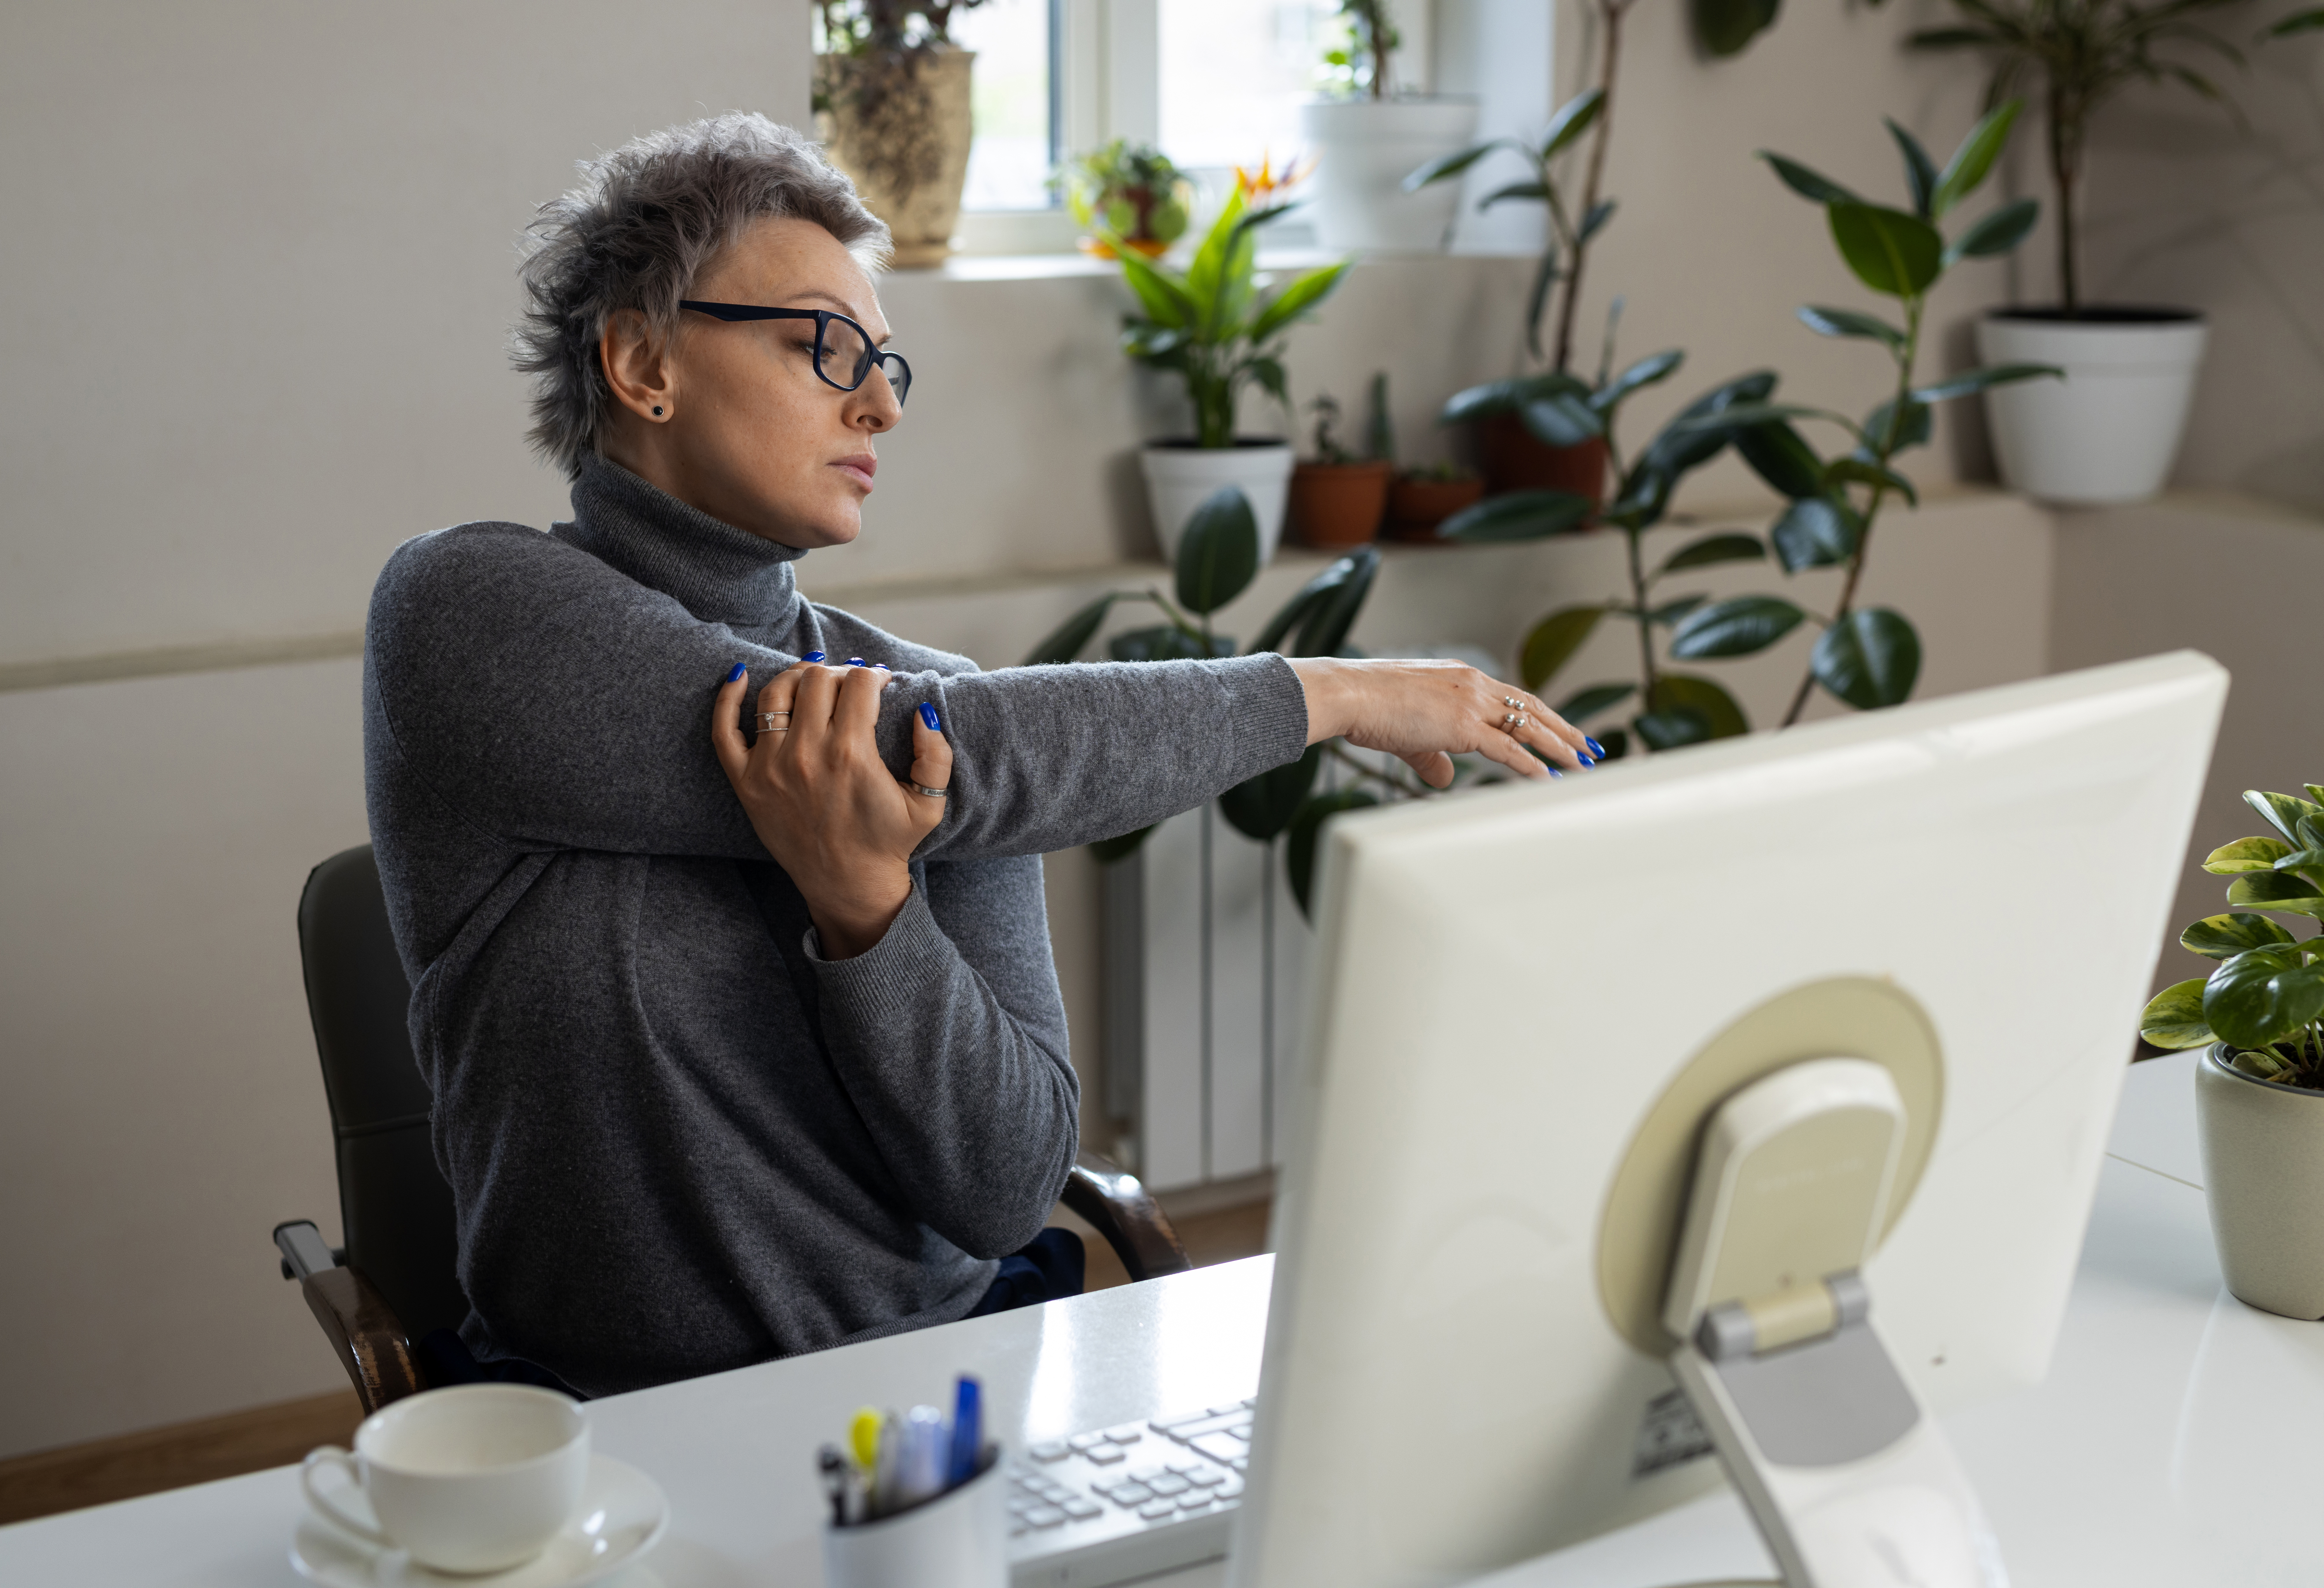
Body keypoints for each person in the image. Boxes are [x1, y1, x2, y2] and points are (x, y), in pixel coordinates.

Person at [362, 112, 1599, 1398]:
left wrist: (868, 914)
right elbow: (935, 746)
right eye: (823, 345)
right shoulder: (462, 610)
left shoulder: (958, 718)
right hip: (612, 1432)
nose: (880, 402)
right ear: (640, 362)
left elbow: (1008, 1190)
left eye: (889, 362)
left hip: (947, 1395)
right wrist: (1329, 691)